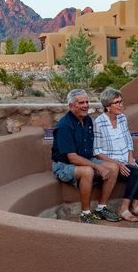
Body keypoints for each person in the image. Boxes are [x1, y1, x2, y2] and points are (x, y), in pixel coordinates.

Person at [51, 88, 121, 223]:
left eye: (87, 102)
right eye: (81, 103)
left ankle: (101, 208)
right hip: (64, 165)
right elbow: (72, 157)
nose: (85, 106)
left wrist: (106, 162)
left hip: (86, 159)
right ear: (71, 106)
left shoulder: (87, 120)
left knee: (113, 167)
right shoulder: (64, 126)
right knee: (88, 171)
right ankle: (85, 213)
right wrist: (98, 167)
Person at [92, 87, 138, 222]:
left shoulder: (122, 118)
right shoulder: (99, 123)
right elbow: (96, 151)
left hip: (125, 159)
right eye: (117, 102)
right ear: (108, 106)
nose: (121, 105)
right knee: (137, 172)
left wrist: (130, 157)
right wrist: (117, 163)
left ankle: (135, 206)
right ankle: (124, 209)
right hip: (112, 162)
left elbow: (128, 139)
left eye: (121, 101)